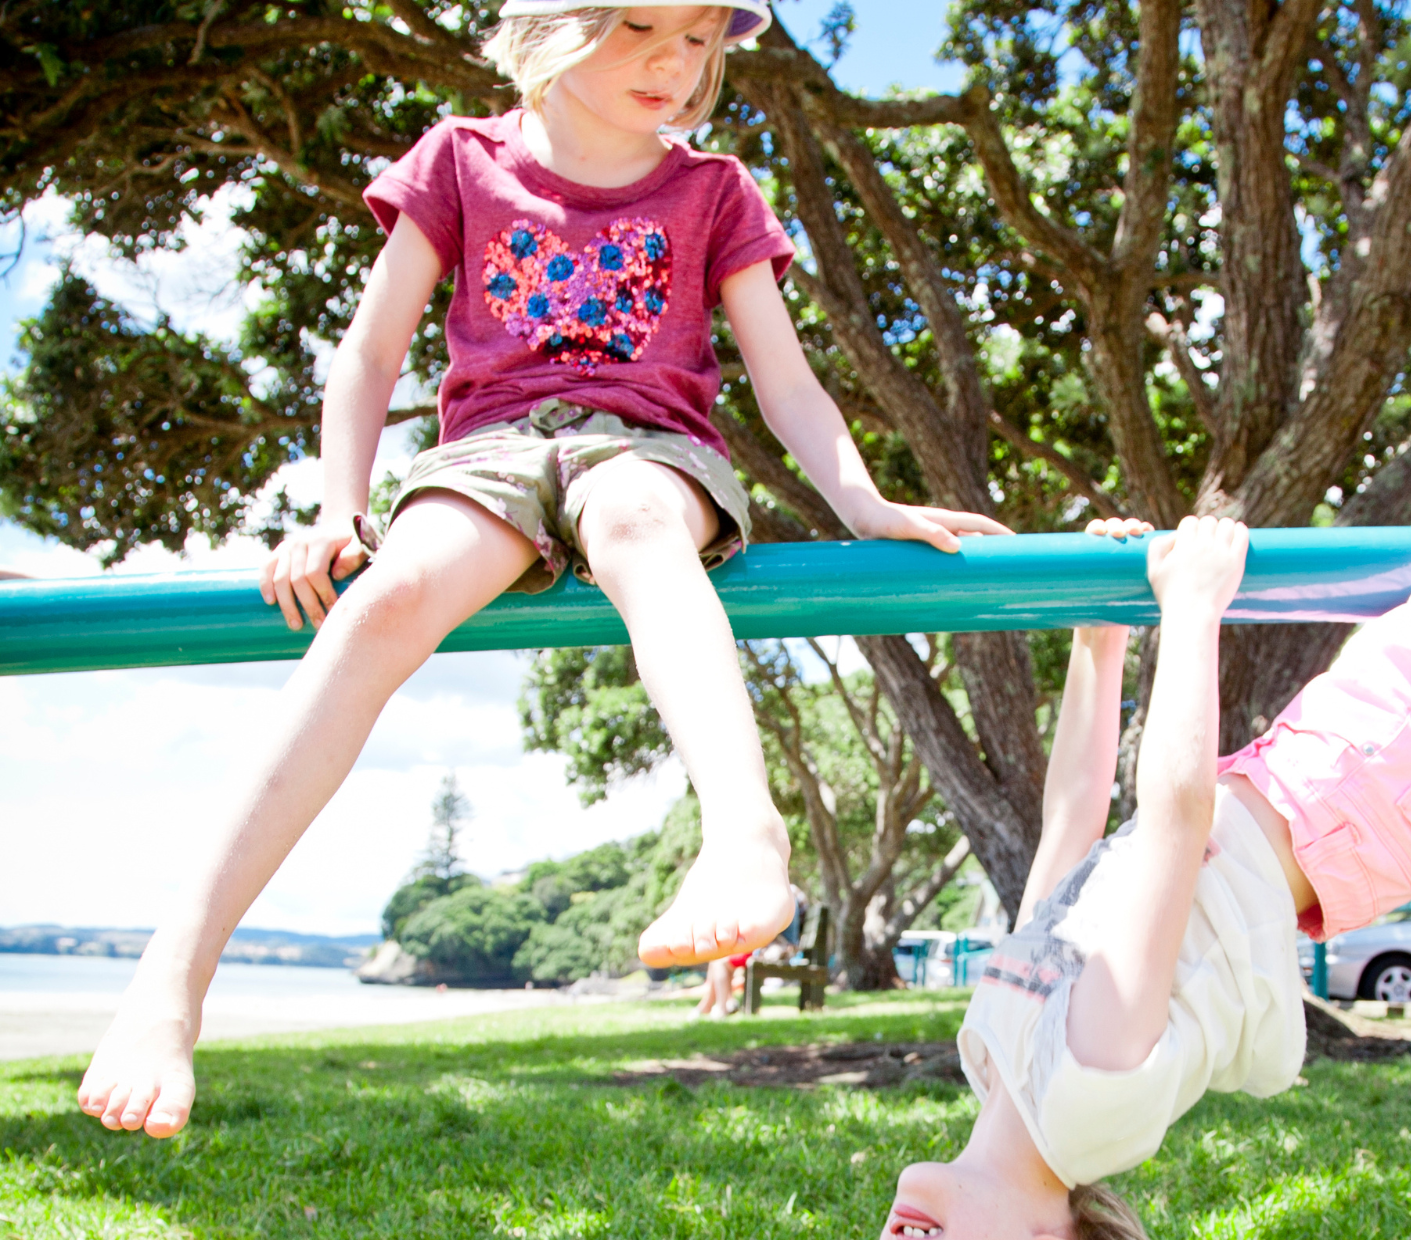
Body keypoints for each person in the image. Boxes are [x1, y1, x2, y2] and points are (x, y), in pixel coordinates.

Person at [76, 1, 1004, 1142]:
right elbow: (369, 353)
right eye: (637, 27)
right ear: (554, 27)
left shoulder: (714, 192)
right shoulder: (460, 162)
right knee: (389, 598)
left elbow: (787, 381)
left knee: (632, 524)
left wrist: (862, 499)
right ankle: (173, 974)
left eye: (701, 39)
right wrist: (337, 506)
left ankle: (744, 836)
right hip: (490, 452)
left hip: (647, 446)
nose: (674, 61)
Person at [881, 438, 1411, 1240]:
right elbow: (1174, 828)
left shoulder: (992, 1053)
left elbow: (1069, 823)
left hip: (1315, 786)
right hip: (1363, 796)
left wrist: (1097, 646)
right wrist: (1191, 609)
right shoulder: (1082, 1109)